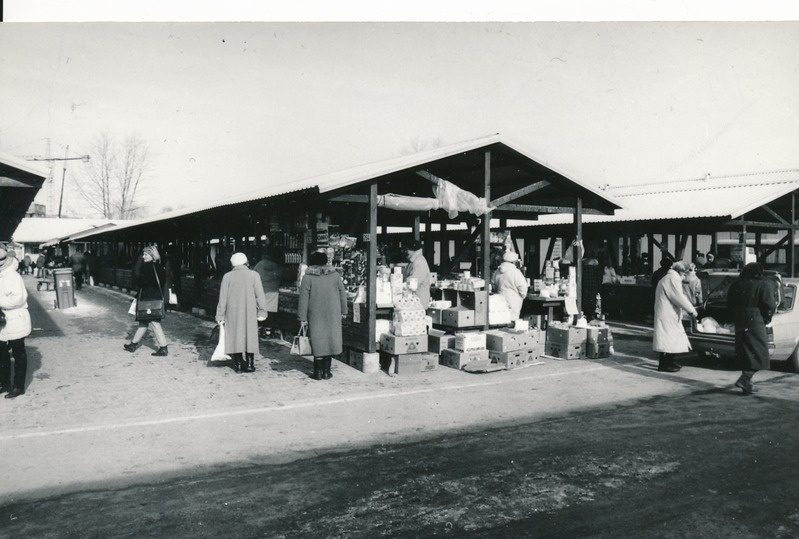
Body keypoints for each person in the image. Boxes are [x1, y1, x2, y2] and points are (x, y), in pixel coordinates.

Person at [727, 262, 777, 395]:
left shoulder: (736, 283)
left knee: (745, 351)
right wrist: (767, 318)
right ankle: (745, 378)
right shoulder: (763, 283)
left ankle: (747, 385)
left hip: (740, 318)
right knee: (761, 353)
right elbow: (770, 304)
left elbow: (729, 303)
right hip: (755, 318)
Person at [297, 251, 348, 381]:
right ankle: (326, 372)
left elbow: (303, 299)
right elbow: (343, 294)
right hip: (333, 312)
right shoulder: (335, 275)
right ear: (326, 261)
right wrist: (344, 311)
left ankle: (318, 373)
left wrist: (302, 317)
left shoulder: (308, 277)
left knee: (318, 341)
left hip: (315, 314)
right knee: (330, 340)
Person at [215, 252, 269, 373]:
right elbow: (260, 296)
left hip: (232, 312)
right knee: (250, 335)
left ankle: (238, 364)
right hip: (250, 311)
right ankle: (250, 364)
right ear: (246, 262)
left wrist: (220, 315)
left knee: (234, 336)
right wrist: (262, 311)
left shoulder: (227, 276)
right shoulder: (254, 275)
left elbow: (222, 298)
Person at [124, 245, 170, 356]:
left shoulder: (147, 267)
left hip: (148, 298)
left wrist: (138, 273)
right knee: (143, 322)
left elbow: (140, 281)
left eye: (145, 254)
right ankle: (133, 345)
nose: (143, 256)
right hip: (156, 297)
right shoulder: (159, 267)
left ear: (152, 255)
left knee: (154, 322)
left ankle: (163, 348)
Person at [653, 261, 698, 372]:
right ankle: (664, 365)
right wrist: (692, 310)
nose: (684, 277)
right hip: (667, 314)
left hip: (668, 313)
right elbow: (678, 297)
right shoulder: (673, 279)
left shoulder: (669, 278)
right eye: (684, 274)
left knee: (671, 339)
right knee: (667, 340)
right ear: (680, 272)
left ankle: (669, 362)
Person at [0, 247, 31, 398]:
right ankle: (4, 384)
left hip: (15, 318)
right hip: (2, 321)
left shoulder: (13, 276)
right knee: (1, 353)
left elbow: (18, 299)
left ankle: (19, 386)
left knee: (18, 353)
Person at [252, 246, 282, 338]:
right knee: (271, 311)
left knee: (261, 310)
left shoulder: (259, 264)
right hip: (273, 291)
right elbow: (281, 275)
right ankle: (269, 331)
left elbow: (253, 276)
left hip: (261, 290)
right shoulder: (276, 265)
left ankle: (261, 330)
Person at [491, 251, 529, 320]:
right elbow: (523, 288)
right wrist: (522, 296)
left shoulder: (497, 271)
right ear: (514, 262)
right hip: (513, 301)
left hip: (500, 300)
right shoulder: (516, 272)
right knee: (512, 322)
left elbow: (493, 285)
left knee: (501, 320)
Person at [403, 239, 431, 308]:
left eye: (407, 250)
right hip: (414, 301)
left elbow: (413, 283)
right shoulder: (413, 261)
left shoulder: (419, 262)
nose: (405, 252)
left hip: (419, 302)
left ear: (413, 250)